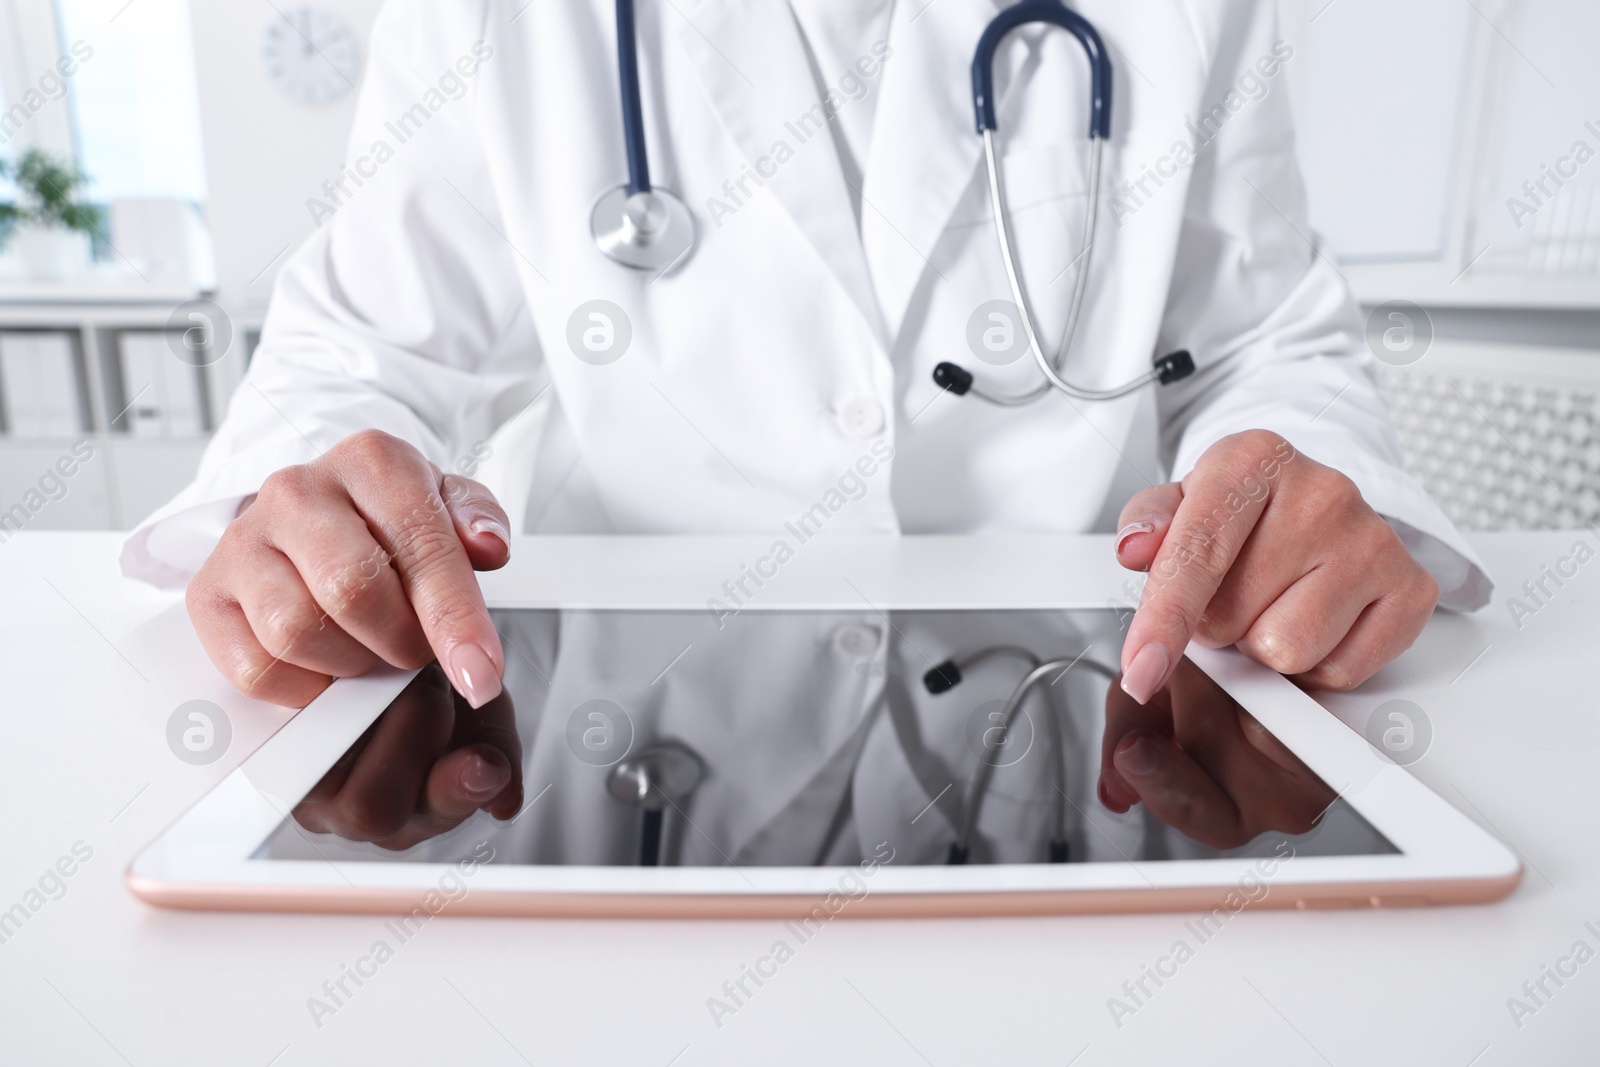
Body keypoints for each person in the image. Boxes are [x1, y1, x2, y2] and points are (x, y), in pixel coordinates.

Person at [121, 0, 1489, 717]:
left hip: (1084, 719)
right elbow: (355, 351)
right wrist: (306, 507)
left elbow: (1263, 344)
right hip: (631, 737)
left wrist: (1302, 478)